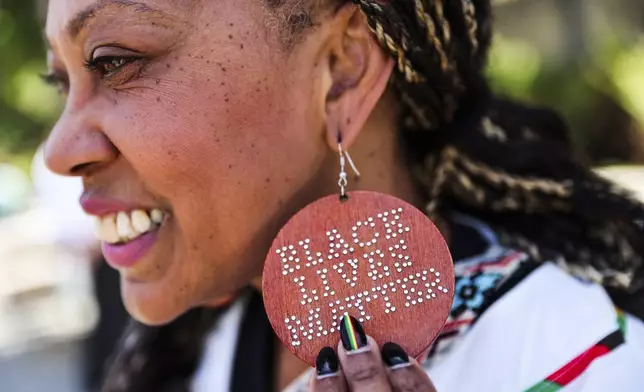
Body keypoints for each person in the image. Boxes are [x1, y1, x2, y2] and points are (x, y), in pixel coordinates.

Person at [42, 0, 644, 391]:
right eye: (61, 82)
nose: (58, 150)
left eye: (114, 60)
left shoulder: (585, 358)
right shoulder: (184, 352)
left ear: (343, 70)